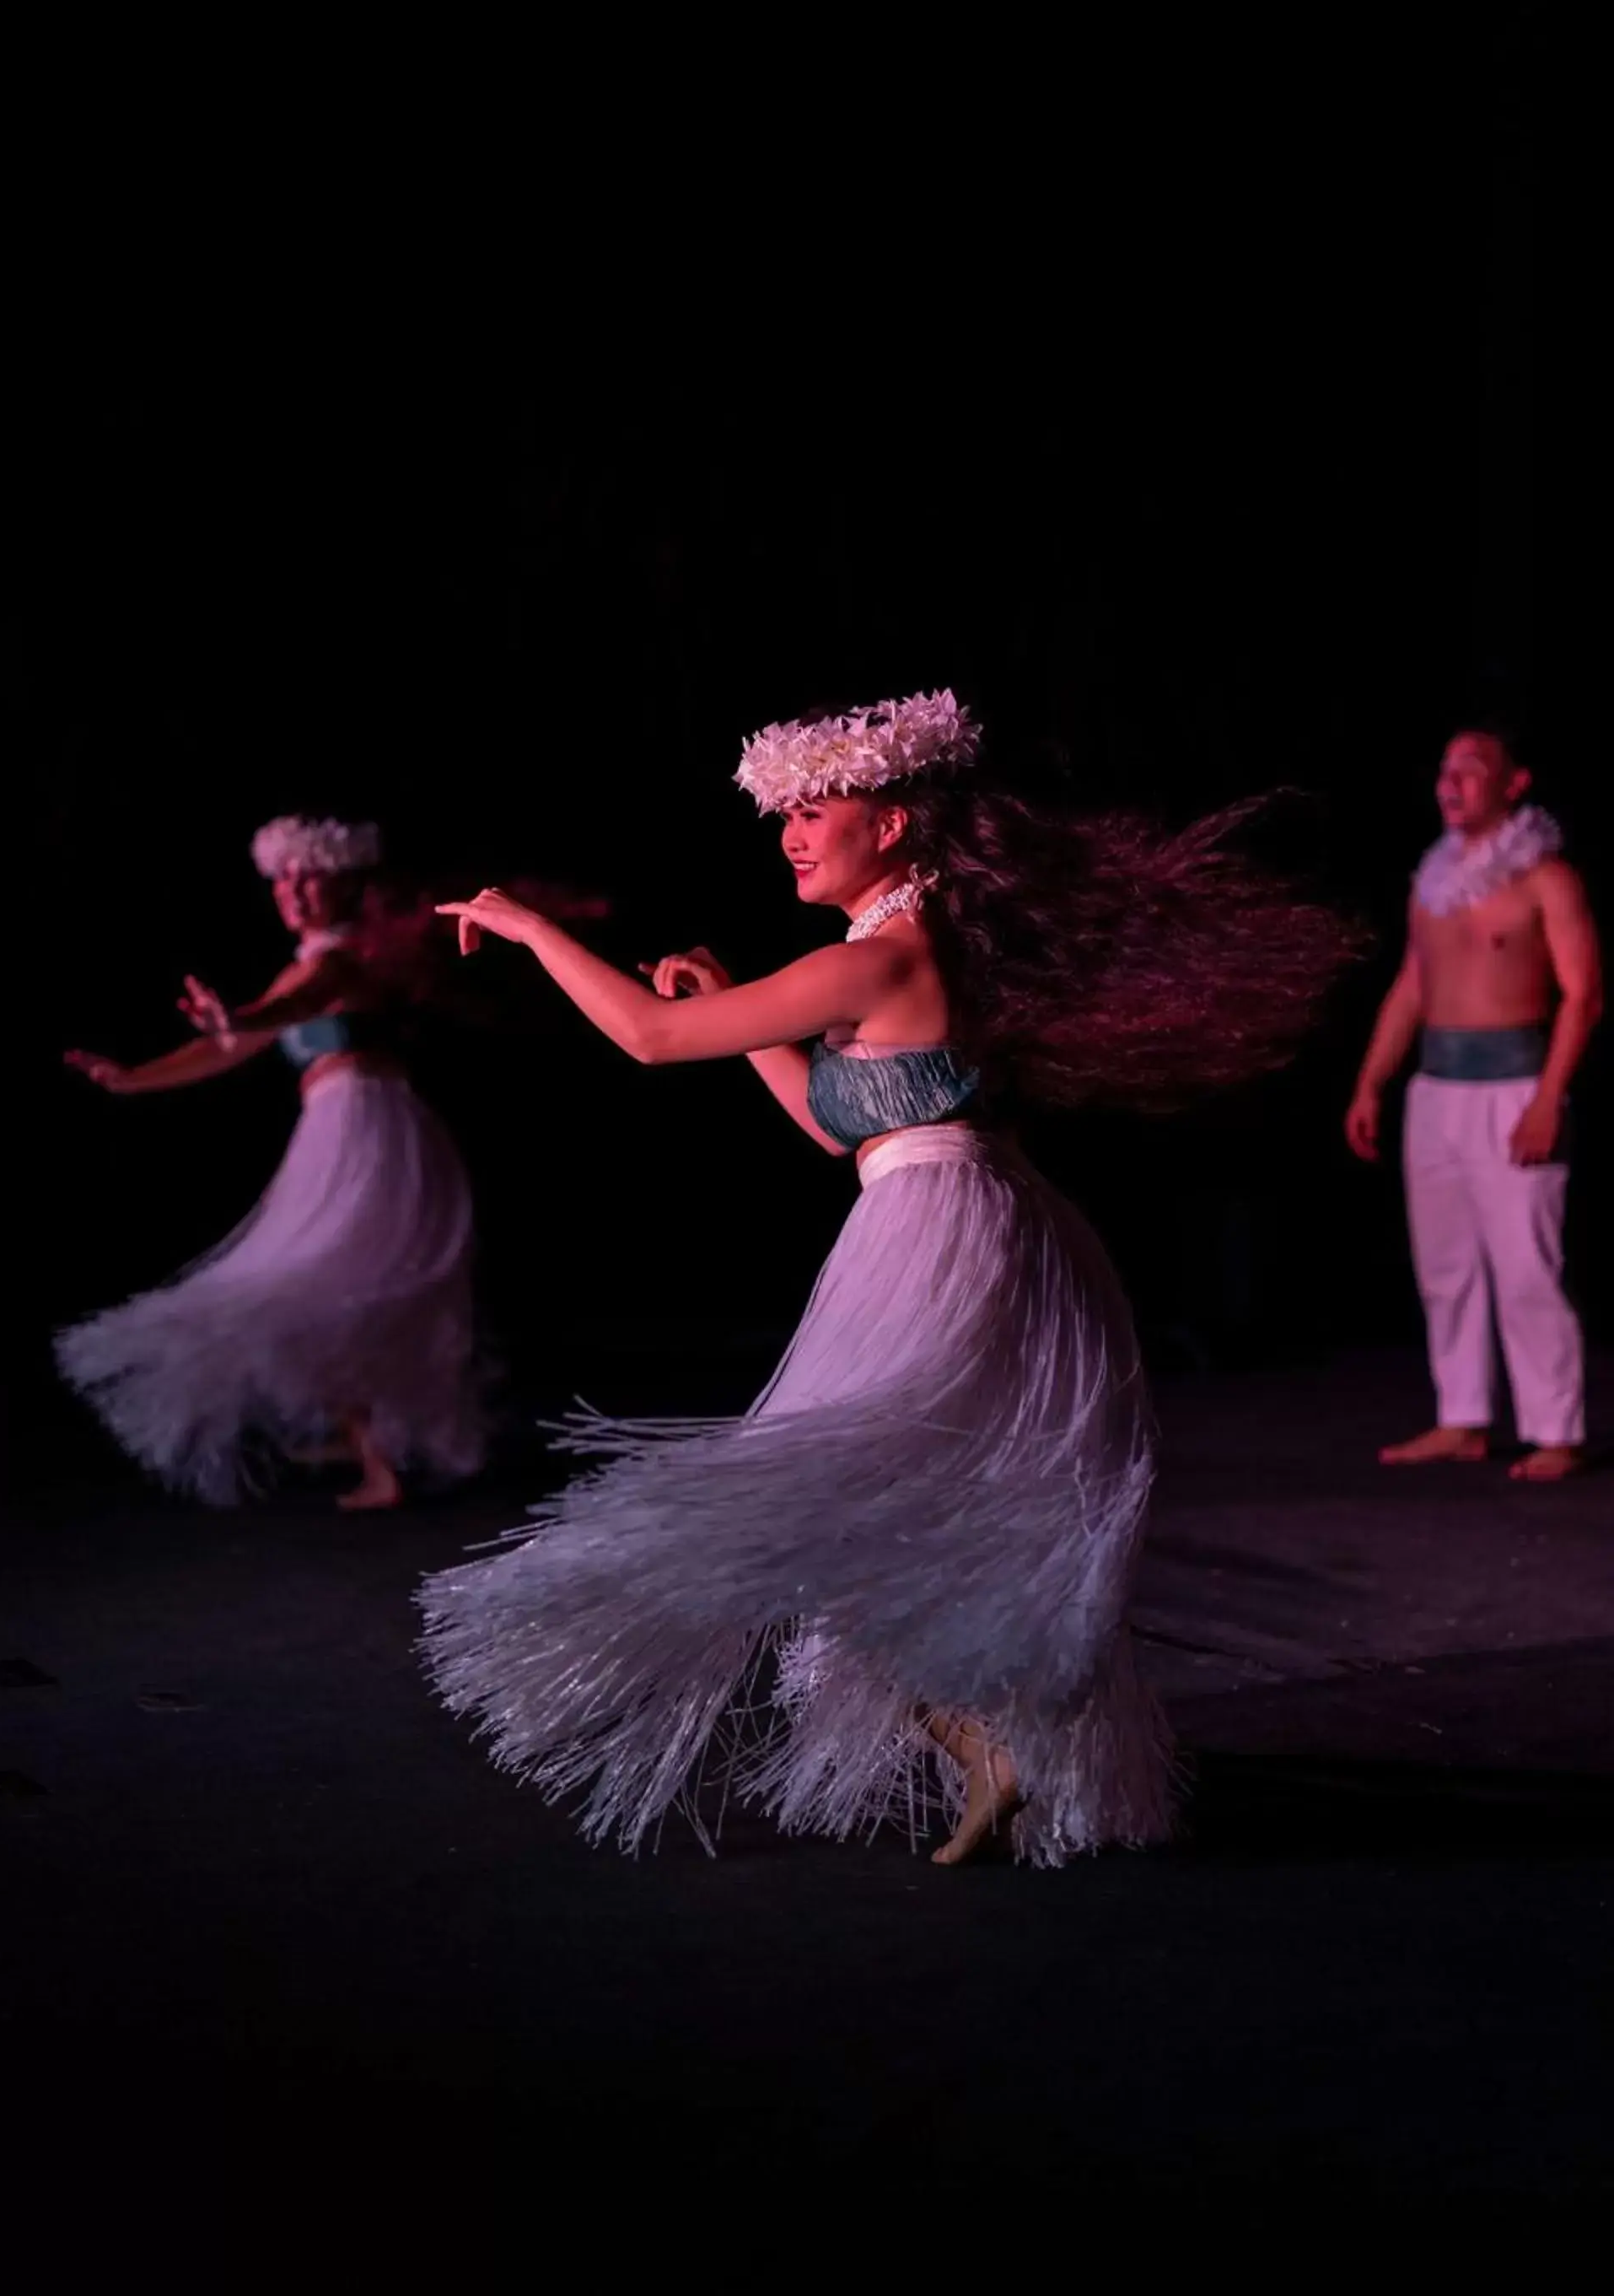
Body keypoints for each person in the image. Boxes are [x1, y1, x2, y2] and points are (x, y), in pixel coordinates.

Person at [419, 692, 1360, 1868]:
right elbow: (840, 1132)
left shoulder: (880, 958)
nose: (792, 835)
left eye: (817, 809)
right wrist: (744, 1019)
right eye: (785, 815)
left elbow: (646, 1044)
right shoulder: (917, 952)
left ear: (898, 823)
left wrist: (527, 930)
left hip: (945, 1235)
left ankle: (989, 1737)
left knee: (822, 1515)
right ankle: (991, 1742)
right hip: (955, 1218)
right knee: (886, 1521)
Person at [57, 815, 484, 1512]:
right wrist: (133, 1079)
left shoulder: (340, 959)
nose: (294, 890)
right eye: (284, 878)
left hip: (364, 1124)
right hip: (347, 1124)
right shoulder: (313, 959)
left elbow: (285, 1009)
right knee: (333, 1280)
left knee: (330, 1279)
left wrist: (241, 1021)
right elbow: (234, 1043)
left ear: (346, 886)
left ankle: (381, 1463)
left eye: (310, 876)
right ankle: (364, 1438)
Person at [1346, 730, 1602, 1481]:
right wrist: (1370, 1081)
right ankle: (1463, 1418)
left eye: (1470, 769)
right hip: (1437, 1091)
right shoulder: (1431, 881)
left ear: (1514, 783)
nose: (1449, 783)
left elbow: (1584, 997)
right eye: (1444, 769)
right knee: (1446, 1265)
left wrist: (1549, 1098)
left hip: (1515, 1089)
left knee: (1526, 1266)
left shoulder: (1545, 881)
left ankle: (1556, 1429)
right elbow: (1411, 988)